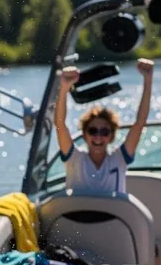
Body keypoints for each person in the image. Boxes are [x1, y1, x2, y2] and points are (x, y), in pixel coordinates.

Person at [53, 58, 154, 193]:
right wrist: (64, 88)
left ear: (112, 136)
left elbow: (140, 123)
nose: (98, 137)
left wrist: (148, 80)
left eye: (105, 132)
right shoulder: (74, 159)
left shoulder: (119, 158)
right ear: (84, 134)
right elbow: (59, 124)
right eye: (93, 131)